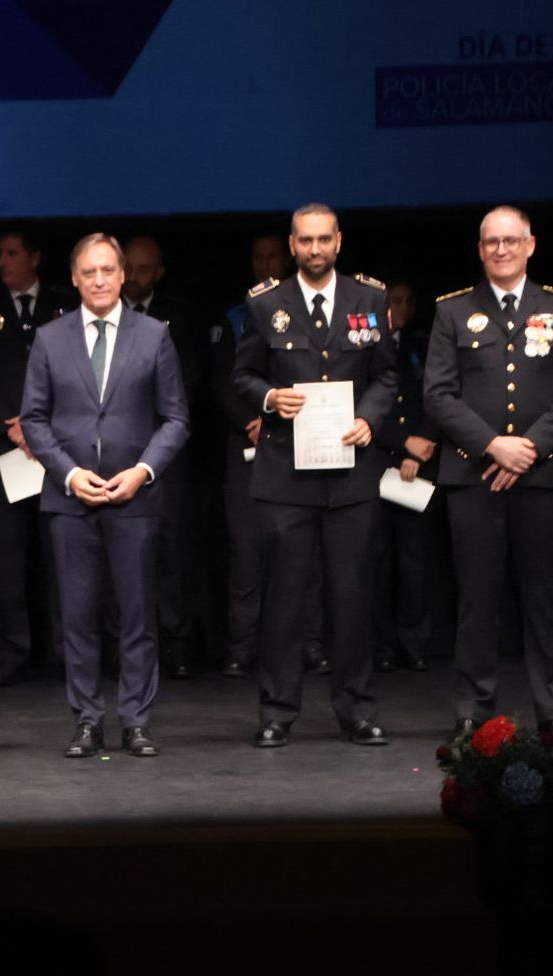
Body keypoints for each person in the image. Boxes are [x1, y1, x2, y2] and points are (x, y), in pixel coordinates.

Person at [232, 204, 399, 748]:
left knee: (351, 596)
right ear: (292, 245)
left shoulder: (368, 299)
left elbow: (388, 374)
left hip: (350, 473)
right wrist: (269, 398)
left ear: (339, 241)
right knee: (284, 599)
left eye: (324, 239)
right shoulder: (266, 303)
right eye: (305, 241)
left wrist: (369, 418)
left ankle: (356, 710)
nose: (315, 249)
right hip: (287, 474)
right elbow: (243, 374)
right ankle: (277, 711)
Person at [424, 206, 553, 740]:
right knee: (476, 598)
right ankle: (472, 709)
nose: (501, 250)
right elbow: (437, 394)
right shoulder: (453, 310)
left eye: (510, 241)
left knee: (543, 595)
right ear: (480, 249)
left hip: (540, 475)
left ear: (530, 245)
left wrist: (532, 447)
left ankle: (552, 709)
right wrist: (494, 445)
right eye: (491, 242)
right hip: (473, 474)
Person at [20, 233, 191, 758]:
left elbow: (176, 418)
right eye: (89, 272)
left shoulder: (154, 335)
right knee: (77, 616)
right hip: (70, 499)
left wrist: (143, 471)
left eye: (108, 271)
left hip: (133, 497)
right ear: (74, 278)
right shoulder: (49, 338)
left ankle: (135, 720)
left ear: (123, 276)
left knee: (137, 615)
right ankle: (87, 720)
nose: (99, 280)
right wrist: (69, 474)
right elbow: (33, 419)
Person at [0, 231, 75, 684]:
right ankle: (11, 653)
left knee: (62, 555)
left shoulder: (64, 304)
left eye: (12, 253)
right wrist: (11, 424)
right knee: (4, 561)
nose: (3, 262)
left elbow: (75, 374)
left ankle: (67, 651)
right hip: (1, 449)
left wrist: (40, 425)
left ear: (35, 256)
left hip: (56, 451)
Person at [122, 234, 204, 678]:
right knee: (120, 549)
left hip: (166, 450)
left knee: (170, 547)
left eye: (143, 269)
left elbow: (188, 381)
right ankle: (123, 644)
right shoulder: (106, 318)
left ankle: (175, 641)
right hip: (116, 449)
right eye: (129, 268)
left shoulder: (179, 315)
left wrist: (159, 438)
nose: (134, 278)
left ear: (159, 273)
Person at [209, 233, 290, 677]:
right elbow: (223, 381)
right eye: (258, 257)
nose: (265, 264)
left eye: (272, 256)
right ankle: (243, 646)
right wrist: (251, 423)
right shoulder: (236, 316)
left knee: (299, 551)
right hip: (246, 442)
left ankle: (307, 644)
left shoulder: (301, 310)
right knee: (246, 550)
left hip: (296, 442)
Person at [371, 279, 441, 672]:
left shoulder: (425, 345)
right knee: (377, 560)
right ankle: (381, 646)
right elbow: (362, 405)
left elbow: (439, 397)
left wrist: (422, 446)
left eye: (408, 301)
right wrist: (400, 445)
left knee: (415, 561)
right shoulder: (368, 345)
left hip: (419, 467)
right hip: (377, 461)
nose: (402, 308)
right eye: (394, 301)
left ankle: (413, 643)